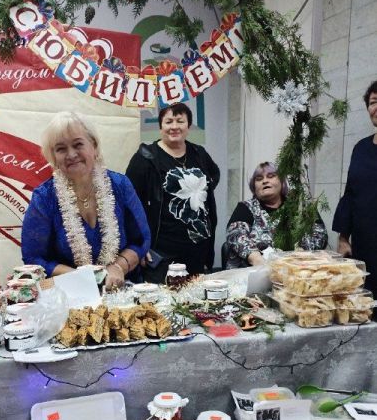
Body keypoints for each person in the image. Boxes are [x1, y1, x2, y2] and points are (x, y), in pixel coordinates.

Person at [21, 111, 150, 290]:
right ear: (53, 156)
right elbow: (33, 258)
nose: (71, 154)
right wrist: (81, 277)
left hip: (123, 291)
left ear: (94, 146)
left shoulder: (120, 185)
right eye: (61, 149)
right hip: (69, 294)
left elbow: (141, 240)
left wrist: (118, 267)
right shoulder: (44, 197)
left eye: (78, 144)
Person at [126, 102, 220, 283]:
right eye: (169, 122)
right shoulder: (146, 157)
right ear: (160, 127)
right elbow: (130, 204)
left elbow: (214, 175)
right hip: (162, 250)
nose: (174, 126)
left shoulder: (199, 153)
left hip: (198, 247)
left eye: (180, 121)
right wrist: (139, 244)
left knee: (195, 296)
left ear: (188, 126)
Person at [224, 162, 327, 268]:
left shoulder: (300, 206)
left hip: (298, 269)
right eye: (259, 179)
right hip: (253, 272)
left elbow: (319, 234)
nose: (265, 181)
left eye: (271, 176)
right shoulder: (245, 207)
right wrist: (256, 258)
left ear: (282, 182)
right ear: (254, 186)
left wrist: (300, 255)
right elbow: (235, 234)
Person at [333, 81, 377, 299]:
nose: (376, 107)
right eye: (373, 102)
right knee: (364, 306)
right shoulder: (361, 148)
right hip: (364, 246)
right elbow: (350, 194)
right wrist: (343, 238)